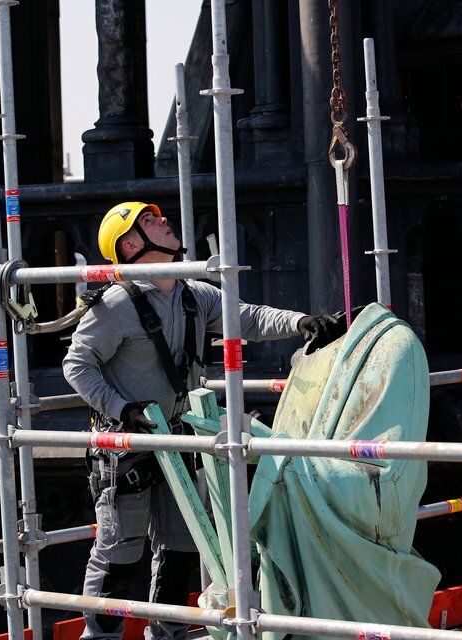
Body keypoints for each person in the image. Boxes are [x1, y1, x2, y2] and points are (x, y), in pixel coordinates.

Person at [63, 201, 340, 640]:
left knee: (179, 545)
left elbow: (246, 316)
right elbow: (77, 365)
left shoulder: (195, 295)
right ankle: (100, 637)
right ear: (131, 245)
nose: (165, 222)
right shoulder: (114, 305)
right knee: (120, 551)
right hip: (128, 447)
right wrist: (123, 410)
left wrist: (303, 323)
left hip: (176, 440)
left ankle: (166, 633)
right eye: (151, 222)